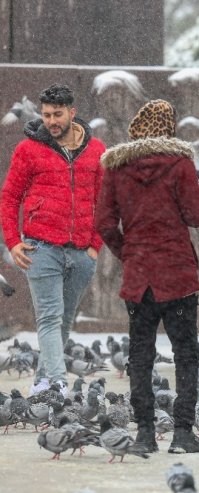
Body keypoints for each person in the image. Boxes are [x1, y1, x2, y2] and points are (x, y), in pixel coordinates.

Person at [95, 99, 199, 454]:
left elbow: (103, 223)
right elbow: (195, 216)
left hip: (139, 279)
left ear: (137, 128)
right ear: (169, 128)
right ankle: (181, 433)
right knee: (186, 354)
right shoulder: (180, 164)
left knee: (140, 355)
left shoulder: (116, 169)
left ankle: (145, 433)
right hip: (177, 275)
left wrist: (129, 252)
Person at [0, 84, 105, 396]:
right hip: (40, 248)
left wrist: (94, 246)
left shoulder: (97, 150)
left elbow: (105, 199)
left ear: (72, 112)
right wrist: (13, 242)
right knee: (49, 316)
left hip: (81, 253)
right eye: (46, 114)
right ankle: (58, 382)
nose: (51, 121)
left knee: (64, 320)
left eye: (57, 114)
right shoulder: (28, 149)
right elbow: (9, 198)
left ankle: (44, 382)